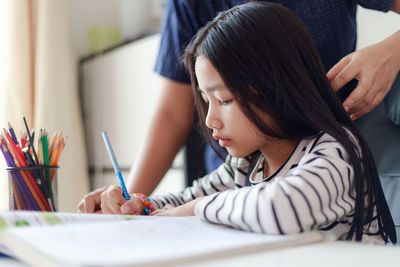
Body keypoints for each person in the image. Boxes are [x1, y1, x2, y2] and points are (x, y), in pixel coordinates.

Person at [99, 2, 396, 243]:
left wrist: (195, 210)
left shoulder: (337, 151)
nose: (211, 119)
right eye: (206, 100)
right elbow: (181, 201)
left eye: (224, 100)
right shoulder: (246, 165)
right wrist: (140, 205)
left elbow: (285, 210)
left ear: (276, 87)